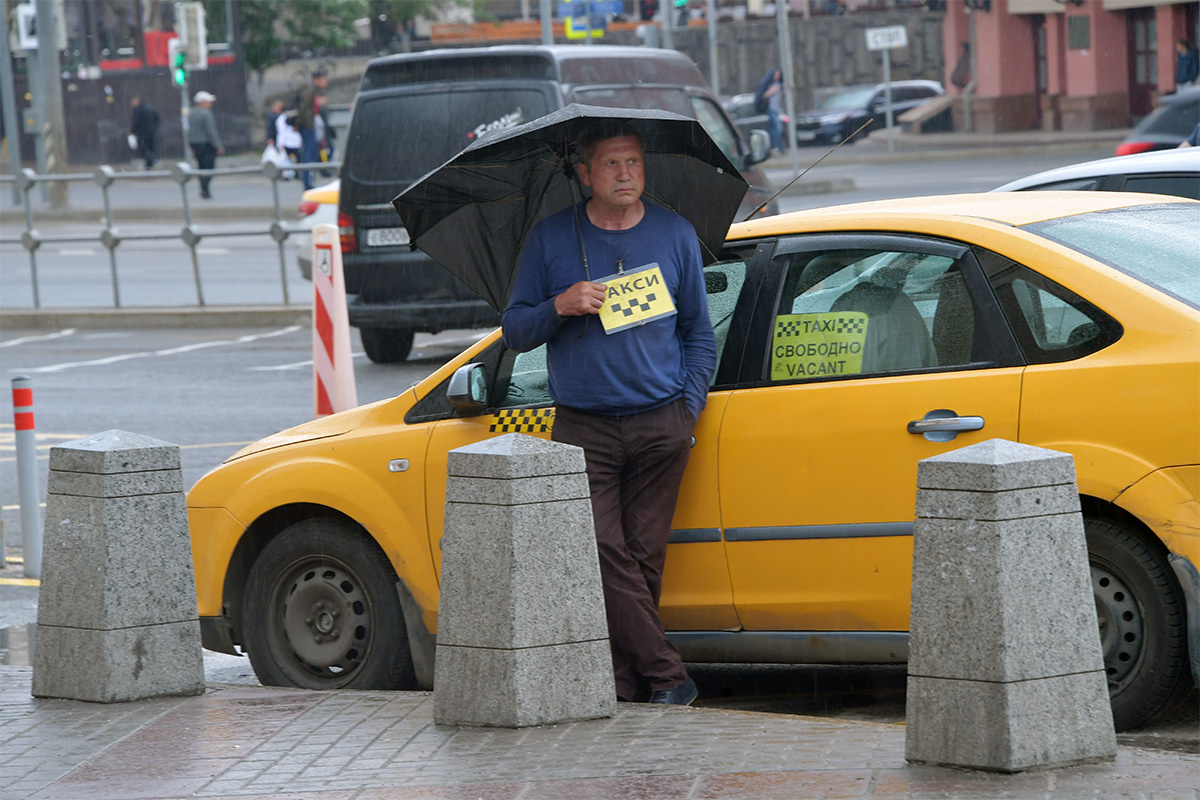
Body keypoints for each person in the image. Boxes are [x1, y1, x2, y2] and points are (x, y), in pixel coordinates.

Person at [502, 121, 717, 707]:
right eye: (611, 164)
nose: (625, 175)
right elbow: (515, 330)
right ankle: (669, 676)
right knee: (602, 551)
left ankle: (625, 683)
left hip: (662, 420)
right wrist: (560, 304)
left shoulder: (674, 233)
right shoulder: (551, 238)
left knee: (643, 558)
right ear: (584, 174)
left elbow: (699, 333)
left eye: (634, 163)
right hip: (584, 426)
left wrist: (688, 407)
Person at [296, 69, 329, 189]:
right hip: (308, 126)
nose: (325, 82)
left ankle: (309, 181)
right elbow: (304, 108)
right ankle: (308, 183)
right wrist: (298, 123)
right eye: (322, 79)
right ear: (316, 79)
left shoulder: (314, 90)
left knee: (312, 153)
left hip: (310, 125)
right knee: (309, 154)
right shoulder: (310, 90)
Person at [188, 91, 224, 199]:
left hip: (195, 144)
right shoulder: (206, 114)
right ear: (202, 102)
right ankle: (205, 188)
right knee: (209, 168)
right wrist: (218, 146)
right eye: (208, 102)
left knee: (201, 167)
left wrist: (190, 144)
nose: (210, 104)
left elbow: (188, 130)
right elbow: (211, 132)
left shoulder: (190, 113)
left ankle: (203, 188)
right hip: (207, 144)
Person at [754, 66, 785, 154]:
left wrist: (783, 88)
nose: (777, 76)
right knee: (778, 128)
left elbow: (781, 96)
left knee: (772, 131)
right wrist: (771, 91)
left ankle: (769, 149)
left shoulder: (779, 84)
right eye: (776, 74)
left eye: (778, 74)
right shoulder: (769, 84)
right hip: (770, 109)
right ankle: (780, 148)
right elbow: (763, 96)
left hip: (777, 109)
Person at [129, 95, 160, 169]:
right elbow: (157, 118)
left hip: (142, 132)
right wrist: (154, 127)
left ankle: (152, 160)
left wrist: (131, 130)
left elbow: (136, 121)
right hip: (151, 131)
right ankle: (149, 165)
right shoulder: (150, 108)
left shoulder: (138, 110)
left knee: (143, 148)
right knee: (150, 147)